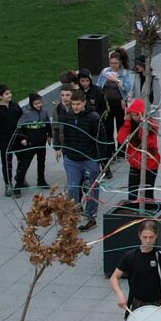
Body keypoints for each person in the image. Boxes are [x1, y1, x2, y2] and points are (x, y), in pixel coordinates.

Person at [54, 87, 103, 228]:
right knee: (72, 187)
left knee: (92, 187)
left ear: (84, 103)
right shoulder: (67, 117)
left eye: (78, 104)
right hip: (72, 159)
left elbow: (101, 138)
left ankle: (91, 215)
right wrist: (63, 151)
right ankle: (74, 213)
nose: (75, 107)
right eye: (73, 104)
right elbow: (61, 133)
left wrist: (100, 159)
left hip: (89, 158)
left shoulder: (94, 117)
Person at [117, 97, 161, 204]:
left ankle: (148, 215)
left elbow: (152, 146)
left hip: (150, 165)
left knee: (147, 194)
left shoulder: (151, 124)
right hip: (134, 164)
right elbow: (120, 139)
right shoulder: (130, 124)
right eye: (131, 115)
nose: (134, 117)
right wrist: (127, 122)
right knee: (132, 193)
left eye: (136, 114)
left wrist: (144, 132)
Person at [11, 91, 52, 192]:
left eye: (40, 103)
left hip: (41, 141)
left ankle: (41, 180)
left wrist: (49, 135)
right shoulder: (25, 113)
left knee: (41, 162)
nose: (39, 105)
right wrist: (23, 139)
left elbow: (47, 124)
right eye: (36, 103)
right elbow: (19, 128)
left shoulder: (44, 111)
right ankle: (19, 185)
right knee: (26, 163)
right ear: (31, 103)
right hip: (30, 142)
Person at [0, 84, 23, 197]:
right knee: (7, 163)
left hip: (17, 139)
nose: (10, 95)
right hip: (4, 141)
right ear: (0, 96)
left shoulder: (15, 106)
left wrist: (24, 137)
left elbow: (22, 120)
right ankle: (8, 184)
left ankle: (20, 177)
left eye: (10, 93)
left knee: (22, 159)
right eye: (7, 94)